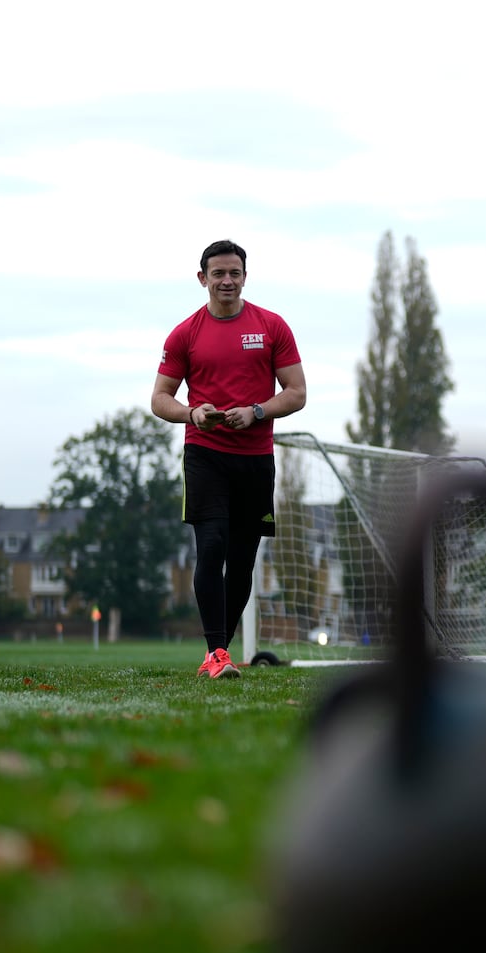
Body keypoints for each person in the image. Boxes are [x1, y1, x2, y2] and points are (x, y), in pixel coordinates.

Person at [150, 240, 307, 679]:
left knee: (241, 561)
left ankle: (220, 650)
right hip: (205, 454)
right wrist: (192, 412)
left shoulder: (272, 326)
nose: (226, 281)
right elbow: (160, 400)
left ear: (244, 276)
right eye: (217, 273)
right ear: (202, 278)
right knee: (212, 547)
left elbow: (297, 393)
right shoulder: (185, 334)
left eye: (234, 273)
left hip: (255, 459)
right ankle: (216, 653)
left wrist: (256, 411)